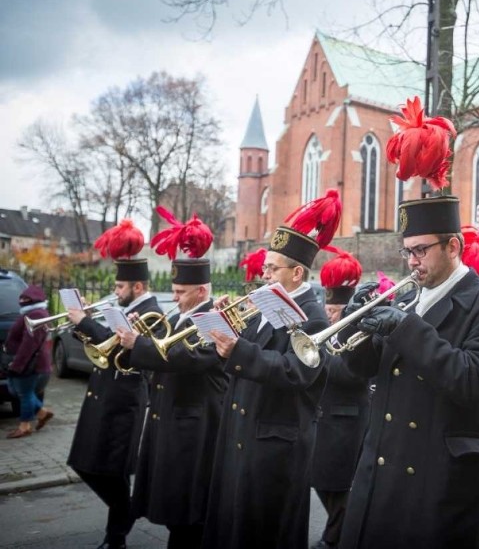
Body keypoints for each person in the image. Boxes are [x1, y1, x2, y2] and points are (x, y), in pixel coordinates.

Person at [337, 195, 479, 548]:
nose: (412, 262)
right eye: (407, 252)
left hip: (437, 477)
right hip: (382, 467)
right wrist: (352, 323)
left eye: (420, 250)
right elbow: (359, 369)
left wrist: (405, 329)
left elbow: (473, 382)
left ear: (453, 246)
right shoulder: (407, 301)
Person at [202, 190, 339, 549]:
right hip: (242, 432)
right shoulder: (265, 304)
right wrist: (226, 330)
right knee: (233, 526)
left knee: (265, 531)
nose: (262, 274)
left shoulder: (314, 315)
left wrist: (239, 350)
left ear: (296, 273)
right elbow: (240, 357)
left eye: (271, 268)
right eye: (264, 267)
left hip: (275, 445)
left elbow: (296, 371)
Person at [115, 212, 226, 549]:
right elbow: (162, 364)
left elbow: (190, 360)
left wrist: (141, 344)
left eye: (181, 291)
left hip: (195, 428)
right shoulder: (180, 317)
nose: (174, 297)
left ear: (202, 290)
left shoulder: (214, 320)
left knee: (190, 513)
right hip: (171, 421)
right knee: (176, 512)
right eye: (174, 290)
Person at [66, 219, 162, 549]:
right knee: (87, 464)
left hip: (123, 400)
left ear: (137, 287)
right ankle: (123, 518)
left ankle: (118, 529)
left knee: (109, 469)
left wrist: (88, 323)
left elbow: (127, 351)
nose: (115, 291)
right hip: (102, 395)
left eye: (120, 287)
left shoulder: (151, 312)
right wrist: (80, 326)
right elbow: (102, 345)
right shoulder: (123, 308)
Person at [311, 248, 371, 549]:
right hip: (324, 415)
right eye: (327, 309)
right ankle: (342, 532)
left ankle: (335, 536)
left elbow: (354, 374)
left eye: (334, 311)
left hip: (348, 418)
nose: (328, 315)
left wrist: (319, 357)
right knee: (322, 482)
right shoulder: (326, 329)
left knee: (338, 484)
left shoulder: (357, 330)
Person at [4, 284, 53, 439]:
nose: (23, 300)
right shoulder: (31, 313)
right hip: (26, 361)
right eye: (22, 297)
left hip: (31, 363)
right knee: (19, 391)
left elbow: (29, 344)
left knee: (24, 394)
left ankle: (25, 426)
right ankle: (42, 413)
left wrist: (17, 365)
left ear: (35, 299)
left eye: (27, 298)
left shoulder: (36, 315)